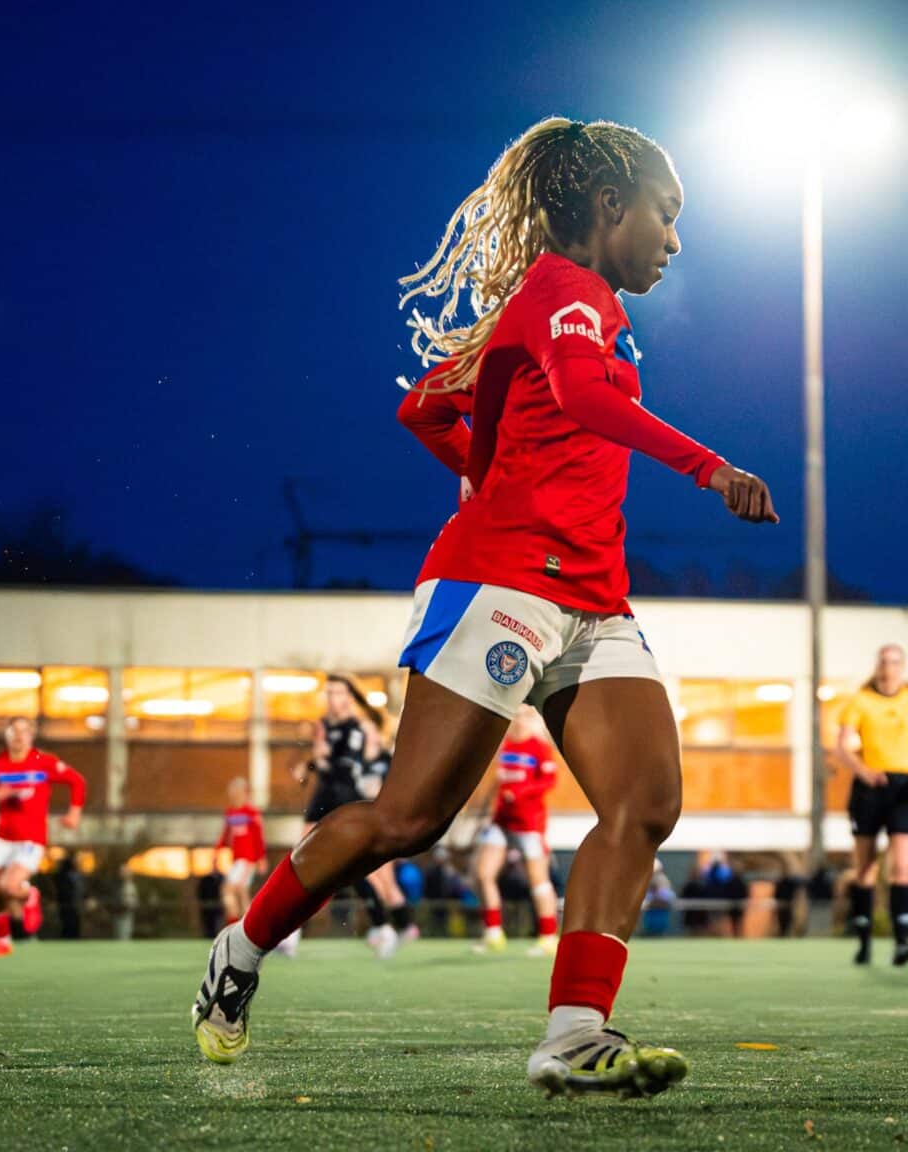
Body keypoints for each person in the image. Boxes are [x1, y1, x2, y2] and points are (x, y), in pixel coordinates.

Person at [193, 117, 776, 1099]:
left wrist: (485, 462)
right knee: (406, 820)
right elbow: (584, 402)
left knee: (644, 805)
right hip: (500, 584)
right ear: (608, 207)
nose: (674, 241)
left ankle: (573, 1034)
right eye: (665, 217)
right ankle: (240, 950)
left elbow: (423, 403)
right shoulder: (562, 292)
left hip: (593, 598)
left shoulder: (562, 308)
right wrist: (708, 468)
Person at [284, 676, 411, 957]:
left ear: (349, 697)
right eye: (328, 693)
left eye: (337, 693)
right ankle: (291, 932)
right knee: (301, 860)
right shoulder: (325, 726)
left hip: (343, 798)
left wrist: (320, 758)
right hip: (322, 796)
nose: (331, 698)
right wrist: (309, 765)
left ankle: (385, 926)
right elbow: (322, 764)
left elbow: (345, 766)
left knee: (350, 869)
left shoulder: (356, 727)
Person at [832, 644, 908, 965]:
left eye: (894, 662)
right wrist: (864, 771)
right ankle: (864, 940)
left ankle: (903, 938)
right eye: (883, 661)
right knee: (866, 867)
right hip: (869, 787)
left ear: (902, 667)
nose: (888, 668)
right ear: (877, 665)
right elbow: (842, 747)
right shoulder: (860, 701)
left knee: (903, 868)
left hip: (904, 787)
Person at [0, 717, 86, 957]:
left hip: (31, 839)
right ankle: (3, 941)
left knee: (9, 885)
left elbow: (77, 781)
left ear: (31, 736)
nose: (19, 735)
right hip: (2, 839)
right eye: (14, 731)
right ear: (6, 735)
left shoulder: (43, 762)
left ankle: (30, 894)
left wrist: (74, 813)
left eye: (24, 731)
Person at [474, 705, 562, 954]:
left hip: (529, 824)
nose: (519, 720)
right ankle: (493, 932)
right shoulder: (506, 745)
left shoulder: (539, 747)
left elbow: (549, 781)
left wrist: (521, 793)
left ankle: (548, 937)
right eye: (516, 715)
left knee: (538, 880)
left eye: (525, 715)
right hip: (502, 821)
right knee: (483, 873)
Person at [215, 777, 266, 932]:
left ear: (244, 792)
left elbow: (258, 837)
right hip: (237, 860)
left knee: (234, 889)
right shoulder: (230, 812)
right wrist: (216, 852)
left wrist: (260, 858)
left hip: (248, 859)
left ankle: (245, 929)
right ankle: (243, 929)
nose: (234, 794)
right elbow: (225, 835)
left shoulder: (252, 812)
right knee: (237, 892)